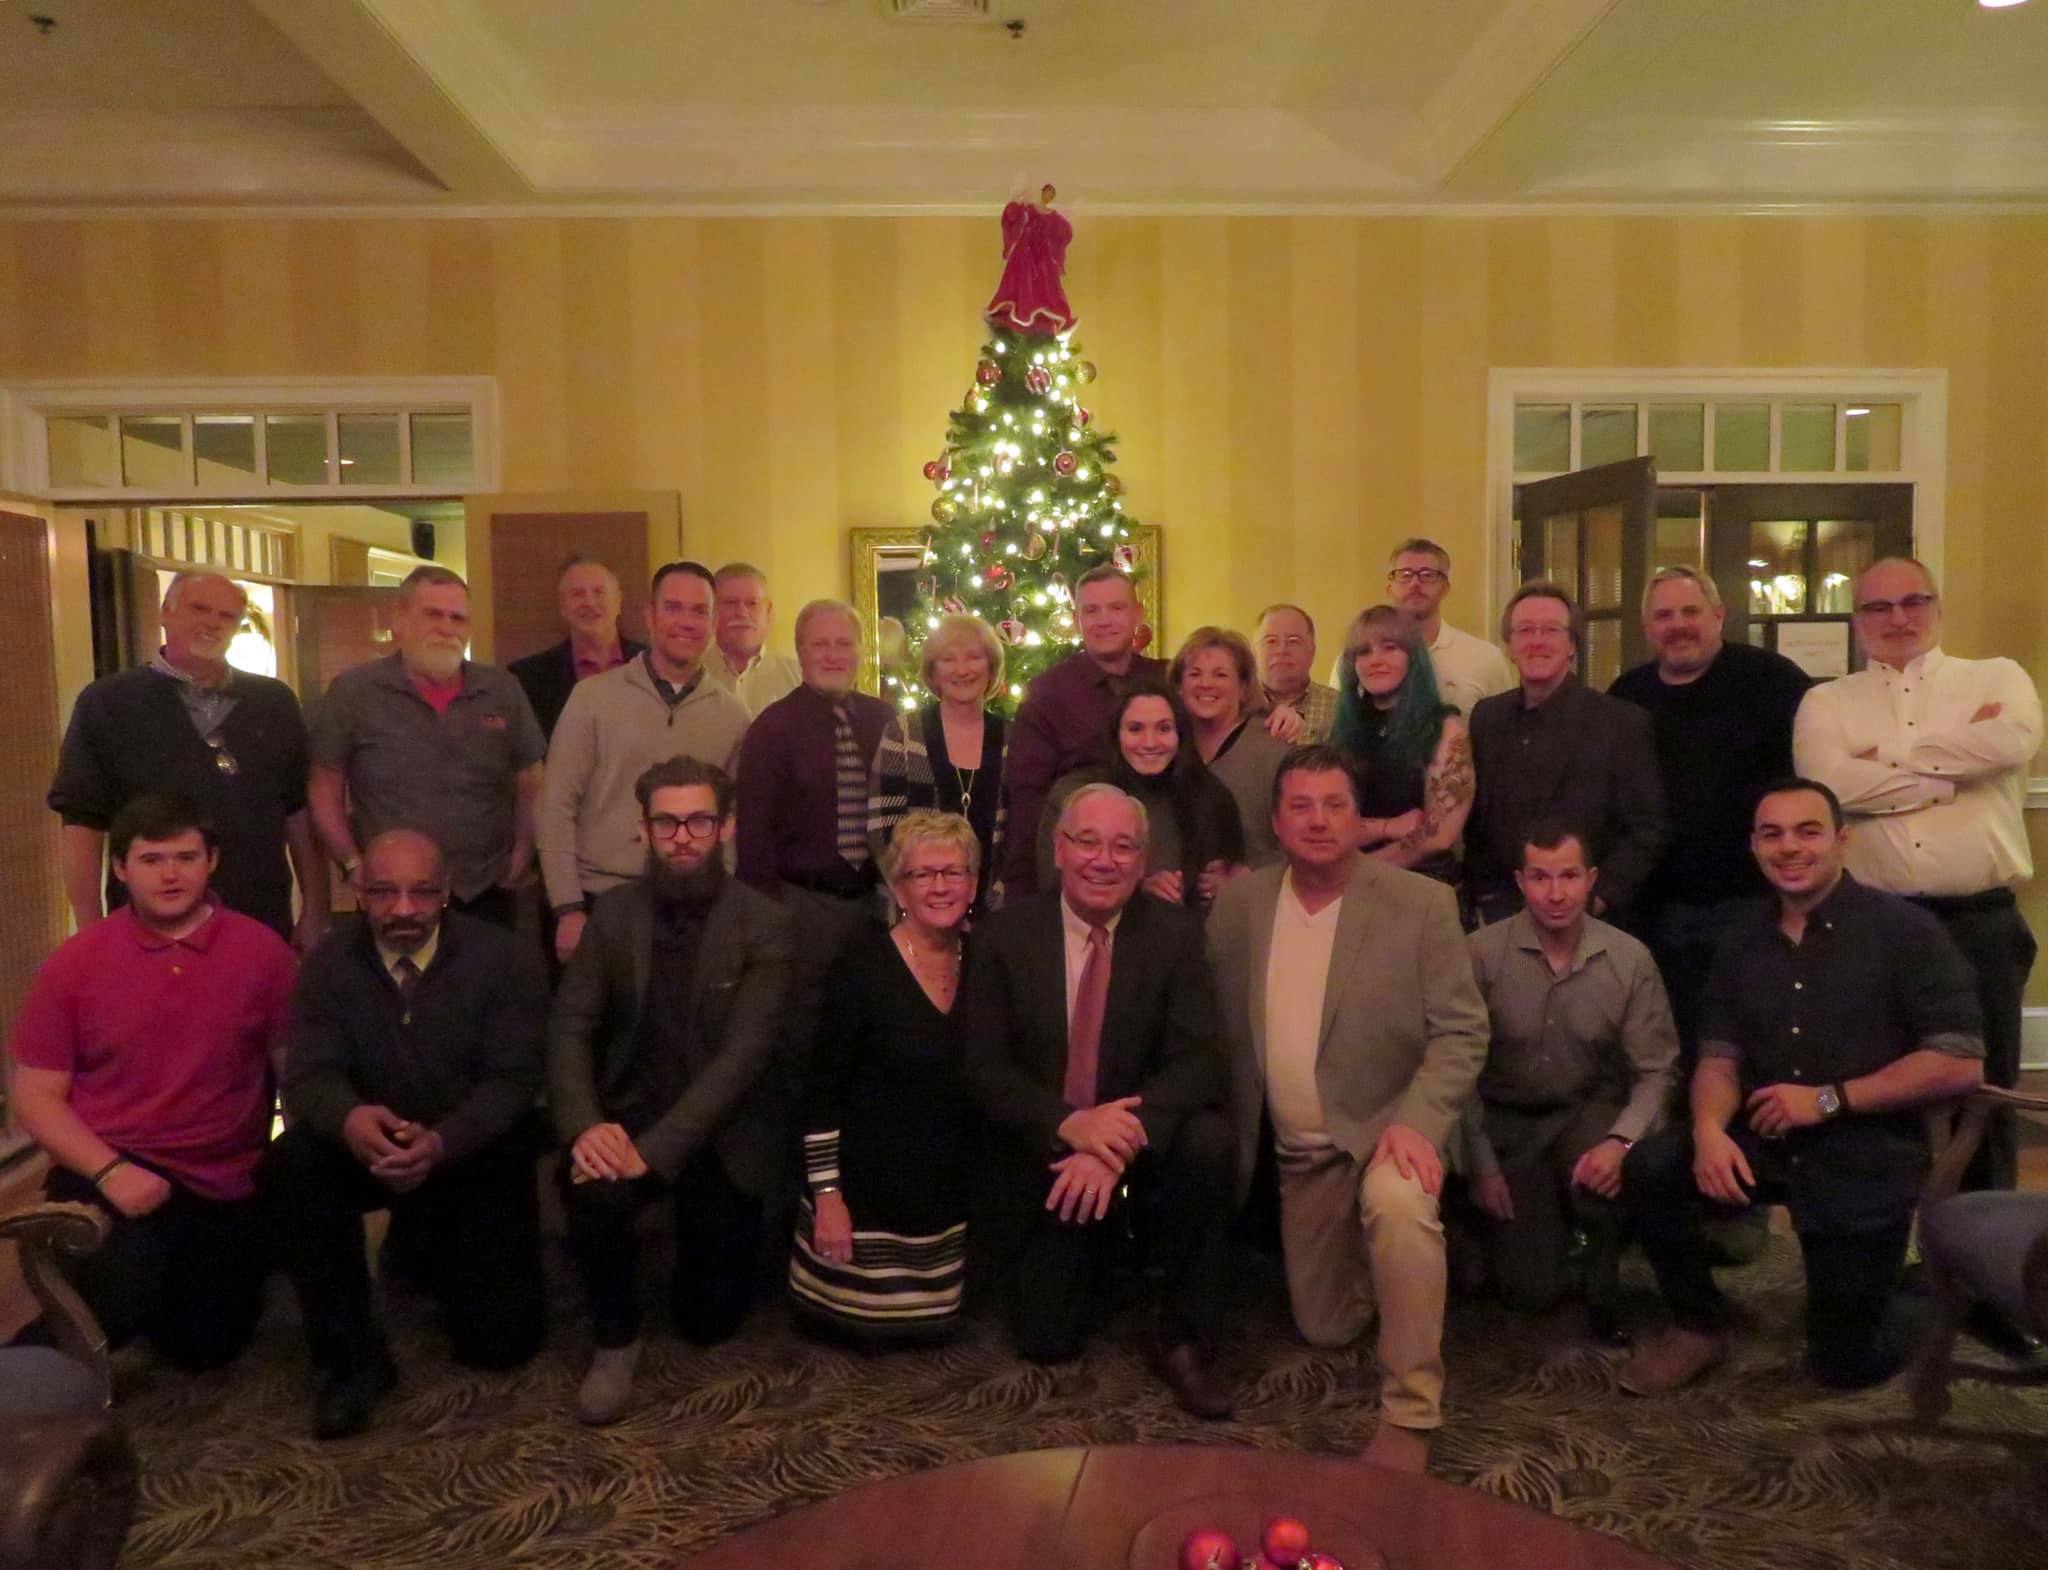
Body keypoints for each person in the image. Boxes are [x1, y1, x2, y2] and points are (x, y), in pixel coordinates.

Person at [1618, 778, 1984, 1395]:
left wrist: (1827, 1099)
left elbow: (1960, 1061)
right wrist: (1708, 1131)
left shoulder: (1907, 931)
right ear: (1755, 847)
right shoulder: (1739, 938)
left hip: (1865, 1150)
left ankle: (1936, 1294)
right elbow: (1719, 1055)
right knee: (1652, 1167)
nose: (1789, 847)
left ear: (1841, 840)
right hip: (1763, 1135)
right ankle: (1697, 1325)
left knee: (1844, 1364)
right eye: (1772, 834)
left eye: (1807, 831)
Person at [1208, 745, 1488, 1472]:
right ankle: (1406, 1266)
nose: (1318, 820)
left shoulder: (1420, 904)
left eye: (1335, 805)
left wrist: (1417, 1124)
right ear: (1275, 822)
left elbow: (1462, 1031)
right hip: (1299, 1156)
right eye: (1300, 806)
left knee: (1399, 1206)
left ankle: (1411, 1412)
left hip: (1388, 1131)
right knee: (1326, 1328)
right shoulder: (1240, 906)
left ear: (1360, 819)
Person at [260, 829, 547, 1438]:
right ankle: (349, 1359)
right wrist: (350, 1119)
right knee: (291, 1164)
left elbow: (516, 1081)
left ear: (446, 893)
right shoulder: (328, 963)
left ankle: (424, 1245)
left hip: (469, 1147)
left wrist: (442, 1142)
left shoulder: (503, 959)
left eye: (421, 892)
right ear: (360, 894)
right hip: (367, 1145)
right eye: (385, 893)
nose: (404, 909)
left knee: (501, 1345)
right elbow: (310, 1075)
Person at [963, 783, 1237, 1418]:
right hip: (1049, 1147)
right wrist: (1071, 1126)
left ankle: (1186, 1335)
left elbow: (1199, 1061)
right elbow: (984, 1070)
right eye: (1088, 842)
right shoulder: (1005, 937)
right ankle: (1107, 1256)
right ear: (1059, 849)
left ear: (1142, 861)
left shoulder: (1175, 936)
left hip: (1139, 1146)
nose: (1104, 861)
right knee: (1047, 1339)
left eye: (1123, 847)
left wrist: (1111, 1143)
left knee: (1210, 1141)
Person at [7, 794, 296, 1372]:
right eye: (151, 859)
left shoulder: (264, 954)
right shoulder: (75, 963)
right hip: (108, 1165)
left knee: (207, 1348)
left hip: (221, 1180)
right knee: (117, 1298)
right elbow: (34, 1096)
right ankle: (19, 1375)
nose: (170, 874)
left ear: (212, 861)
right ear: (120, 868)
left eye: (186, 857)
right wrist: (111, 1172)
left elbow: (295, 1072)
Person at [550, 756, 794, 1425]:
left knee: (708, 1322)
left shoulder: (765, 922)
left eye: (699, 821)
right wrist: (585, 1126)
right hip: (626, 1113)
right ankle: (615, 1339)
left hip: (722, 1130)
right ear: (644, 827)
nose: (682, 837)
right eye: (667, 822)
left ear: (726, 827)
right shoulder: (612, 916)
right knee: (592, 1193)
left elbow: (742, 1059)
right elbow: (570, 1026)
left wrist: (653, 1154)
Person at [1794, 557, 2040, 1195]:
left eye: (1912, 601)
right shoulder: (1826, 701)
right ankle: (1882, 1232)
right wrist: (1950, 775)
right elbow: (1831, 786)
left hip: (1980, 920)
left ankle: (1983, 1232)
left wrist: (1885, 758)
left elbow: (2012, 744)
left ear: (1937, 606)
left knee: (1985, 1088)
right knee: (1874, 1082)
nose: (1897, 618)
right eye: (1878, 606)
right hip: (1874, 927)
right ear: (1857, 619)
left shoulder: (1997, 677)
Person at [1459, 823, 1679, 1340]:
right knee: (1531, 1292)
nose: (1555, 893)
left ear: (1592, 878)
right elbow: (1456, 1069)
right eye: (1540, 877)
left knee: (1615, 1180)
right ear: (1520, 881)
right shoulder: (1479, 954)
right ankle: (1493, 1232)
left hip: (1586, 1111)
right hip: (1505, 1122)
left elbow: (1657, 1070)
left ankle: (1601, 1245)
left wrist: (1622, 1142)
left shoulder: (1629, 958)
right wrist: (1480, 1166)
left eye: (1569, 876)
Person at [49, 569, 326, 947]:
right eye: (199, 608)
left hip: (257, 917)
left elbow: (299, 814)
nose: (212, 623)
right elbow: (82, 823)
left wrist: (315, 908)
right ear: (165, 612)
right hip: (146, 927)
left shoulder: (274, 702)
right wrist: (91, 930)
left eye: (227, 616)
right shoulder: (108, 703)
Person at [790, 811, 979, 1344]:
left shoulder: (986, 962)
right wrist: (828, 1196)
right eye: (922, 874)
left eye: (954, 872)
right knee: (859, 1341)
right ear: (898, 888)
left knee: (940, 1337)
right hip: (865, 1196)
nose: (940, 886)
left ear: (973, 884)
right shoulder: (859, 965)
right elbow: (821, 1090)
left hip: (945, 1200)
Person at [1610, 566, 1809, 1065]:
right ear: (1647, 628)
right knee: (1669, 1043)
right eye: (1663, 615)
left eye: (1690, 611)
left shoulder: (1774, 681)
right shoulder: (1627, 695)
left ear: (1718, 615)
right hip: (1656, 909)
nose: (1678, 625)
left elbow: (1811, 784)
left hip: (1754, 901)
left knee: (1752, 1042)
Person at [309, 565, 545, 931]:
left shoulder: (502, 690)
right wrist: (351, 862)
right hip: (392, 894)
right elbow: (325, 786)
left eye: (458, 618)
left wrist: (523, 854)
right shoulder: (353, 693)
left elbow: (532, 779)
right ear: (399, 620)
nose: (447, 628)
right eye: (433, 614)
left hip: (484, 890)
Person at [539, 560, 750, 963]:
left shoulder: (733, 716)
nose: (685, 622)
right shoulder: (591, 699)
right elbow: (555, 807)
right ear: (650, 616)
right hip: (600, 901)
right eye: (673, 608)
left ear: (714, 623)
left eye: (699, 611)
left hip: (693, 907)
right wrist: (567, 907)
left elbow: (732, 821)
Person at [1464, 582, 1666, 929]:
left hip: (1589, 922)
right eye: (1525, 630)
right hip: (1500, 920)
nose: (1537, 640)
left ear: (1572, 644)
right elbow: (1477, 823)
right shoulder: (1486, 717)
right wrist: (1484, 898)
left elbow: (1648, 829)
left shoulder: (1622, 723)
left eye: (1550, 630)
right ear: (1509, 645)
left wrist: (1596, 898)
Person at [999, 564, 1166, 897]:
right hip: (1080, 876)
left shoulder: (1166, 680)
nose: (1104, 620)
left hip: (1163, 863)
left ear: (1138, 613)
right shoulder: (1047, 694)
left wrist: (1269, 709)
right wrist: (1026, 893)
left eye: (1116, 608)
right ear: (1077, 620)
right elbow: (1028, 803)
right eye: (1091, 610)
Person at [736, 599, 895, 934]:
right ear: (800, 652)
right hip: (799, 907)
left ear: (861, 652)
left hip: (879, 905)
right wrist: (768, 919)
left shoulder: (885, 721)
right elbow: (753, 838)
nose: (832, 656)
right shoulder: (772, 729)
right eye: (820, 645)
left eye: (844, 644)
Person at [1036, 679, 1245, 911]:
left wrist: (1223, 889)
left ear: (1180, 734)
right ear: (1117, 734)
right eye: (1135, 729)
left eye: (1163, 729)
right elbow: (1051, 883)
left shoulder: (1209, 797)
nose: (1150, 742)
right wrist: (1135, 889)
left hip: (1185, 929)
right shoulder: (1076, 794)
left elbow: (1230, 886)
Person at [866, 612, 1009, 910]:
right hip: (916, 909)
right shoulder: (903, 733)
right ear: (932, 672)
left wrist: (995, 900)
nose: (962, 670)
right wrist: (924, 899)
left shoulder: (1013, 739)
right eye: (948, 659)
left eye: (974, 657)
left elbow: (1020, 834)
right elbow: (883, 831)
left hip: (995, 912)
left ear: (991, 667)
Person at [1328, 605, 1474, 888]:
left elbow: (1440, 834)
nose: (1375, 660)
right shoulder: (1343, 729)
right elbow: (1330, 818)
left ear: (1413, 657)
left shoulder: (1446, 729)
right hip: (1347, 881)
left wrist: (1358, 872)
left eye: (1390, 647)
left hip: (1419, 885)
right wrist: (1386, 828)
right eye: (1363, 652)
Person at [1330, 539, 1513, 717]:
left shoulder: (1486, 658)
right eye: (1405, 574)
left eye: (1427, 575)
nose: (1415, 584)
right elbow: (1339, 721)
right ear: (1390, 587)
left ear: (1445, 587)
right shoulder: (1358, 659)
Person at [1174, 626, 1298, 869]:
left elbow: (1299, 840)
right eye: (1195, 674)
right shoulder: (1165, 745)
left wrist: (1248, 878)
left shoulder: (1274, 748)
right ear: (1179, 686)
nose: (1206, 684)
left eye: (1220, 675)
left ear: (1243, 688)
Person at [506, 555, 646, 743]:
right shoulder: (526, 679)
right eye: (577, 594)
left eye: (599, 592)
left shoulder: (655, 666)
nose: (589, 602)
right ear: (562, 606)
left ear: (618, 601)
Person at [708, 561, 802, 716]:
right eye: (731, 603)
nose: (742, 613)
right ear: (712, 609)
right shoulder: (690, 676)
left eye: (752, 603)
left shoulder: (798, 677)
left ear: (768, 611)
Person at [1255, 604, 1339, 742]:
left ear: (1312, 650)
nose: (1282, 650)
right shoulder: (1237, 706)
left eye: (1293, 641)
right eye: (1271, 641)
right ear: (1254, 652)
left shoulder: (1338, 708)